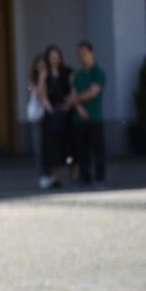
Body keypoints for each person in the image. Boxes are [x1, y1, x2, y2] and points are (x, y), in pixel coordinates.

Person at [36, 43, 75, 190]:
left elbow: (73, 90)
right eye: (52, 57)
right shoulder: (45, 75)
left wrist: (68, 104)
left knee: (69, 146)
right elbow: (40, 94)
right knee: (52, 148)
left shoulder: (67, 72)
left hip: (66, 113)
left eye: (57, 57)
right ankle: (56, 178)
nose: (55, 60)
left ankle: (74, 175)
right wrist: (42, 75)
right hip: (51, 115)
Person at [73, 41, 106, 188]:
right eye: (79, 55)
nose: (81, 57)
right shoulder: (78, 75)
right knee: (82, 151)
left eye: (84, 54)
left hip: (94, 117)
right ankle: (84, 178)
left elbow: (94, 92)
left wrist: (75, 99)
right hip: (79, 119)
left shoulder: (98, 72)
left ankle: (99, 179)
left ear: (91, 53)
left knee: (97, 150)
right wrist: (79, 107)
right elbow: (73, 93)